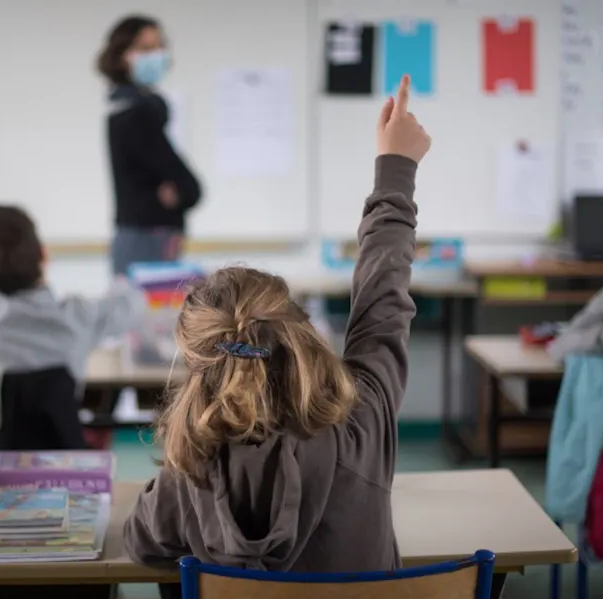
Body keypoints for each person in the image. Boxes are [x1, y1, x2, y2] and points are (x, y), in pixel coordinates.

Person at [123, 76, 430, 586]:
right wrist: (395, 172)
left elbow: (140, 541)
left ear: (199, 364)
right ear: (298, 335)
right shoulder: (365, 421)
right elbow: (383, 301)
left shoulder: (193, 467)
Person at [0, 128, 147, 448]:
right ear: (43, 255)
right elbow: (132, 303)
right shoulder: (78, 315)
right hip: (64, 470)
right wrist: (124, 280)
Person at [97, 15, 203, 276]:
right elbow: (191, 187)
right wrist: (180, 192)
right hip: (144, 243)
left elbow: (181, 185)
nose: (156, 55)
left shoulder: (131, 110)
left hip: (146, 240)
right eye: (145, 49)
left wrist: (178, 191)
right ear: (122, 56)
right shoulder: (136, 115)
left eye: (159, 46)